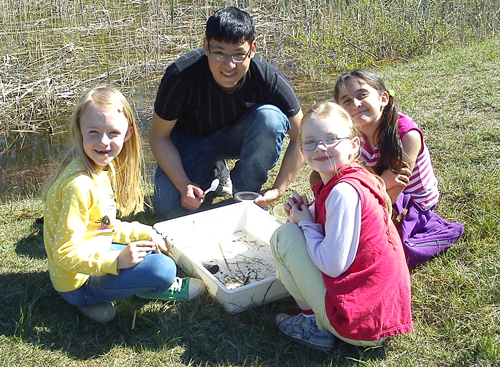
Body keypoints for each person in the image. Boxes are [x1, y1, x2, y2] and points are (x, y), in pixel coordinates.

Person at [42, 86, 205, 324]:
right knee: (162, 270)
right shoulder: (78, 185)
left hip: (96, 253)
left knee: (151, 244)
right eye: (94, 132)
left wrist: (148, 231)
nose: (104, 142)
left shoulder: (100, 168)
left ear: (128, 134)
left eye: (113, 133)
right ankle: (97, 297)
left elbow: (103, 226)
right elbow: (64, 254)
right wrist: (116, 262)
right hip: (77, 283)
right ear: (80, 130)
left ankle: (127, 285)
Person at [270, 102, 413, 350]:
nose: (321, 148)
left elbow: (333, 266)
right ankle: (321, 319)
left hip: (360, 325)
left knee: (285, 237)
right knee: (294, 230)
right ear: (302, 151)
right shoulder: (353, 178)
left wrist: (305, 224)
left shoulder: (343, 193)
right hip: (377, 315)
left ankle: (313, 326)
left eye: (331, 139)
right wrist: (306, 214)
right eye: (311, 142)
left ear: (353, 145)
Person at [150, 6, 303, 220]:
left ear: (253, 49)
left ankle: (245, 196)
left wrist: (278, 189)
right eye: (219, 53)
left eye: (239, 54)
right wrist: (183, 183)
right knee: (169, 210)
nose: (230, 65)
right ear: (206, 47)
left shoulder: (266, 76)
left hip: (237, 136)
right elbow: (159, 136)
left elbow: (301, 136)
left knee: (270, 119)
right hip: (190, 140)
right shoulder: (180, 75)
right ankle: (214, 173)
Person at [332, 69, 464, 268]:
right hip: (378, 188)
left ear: (383, 98)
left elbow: (396, 185)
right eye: (347, 101)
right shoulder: (352, 134)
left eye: (362, 95)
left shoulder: (405, 133)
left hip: (412, 202)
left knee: (381, 250)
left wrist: (361, 196)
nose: (356, 104)